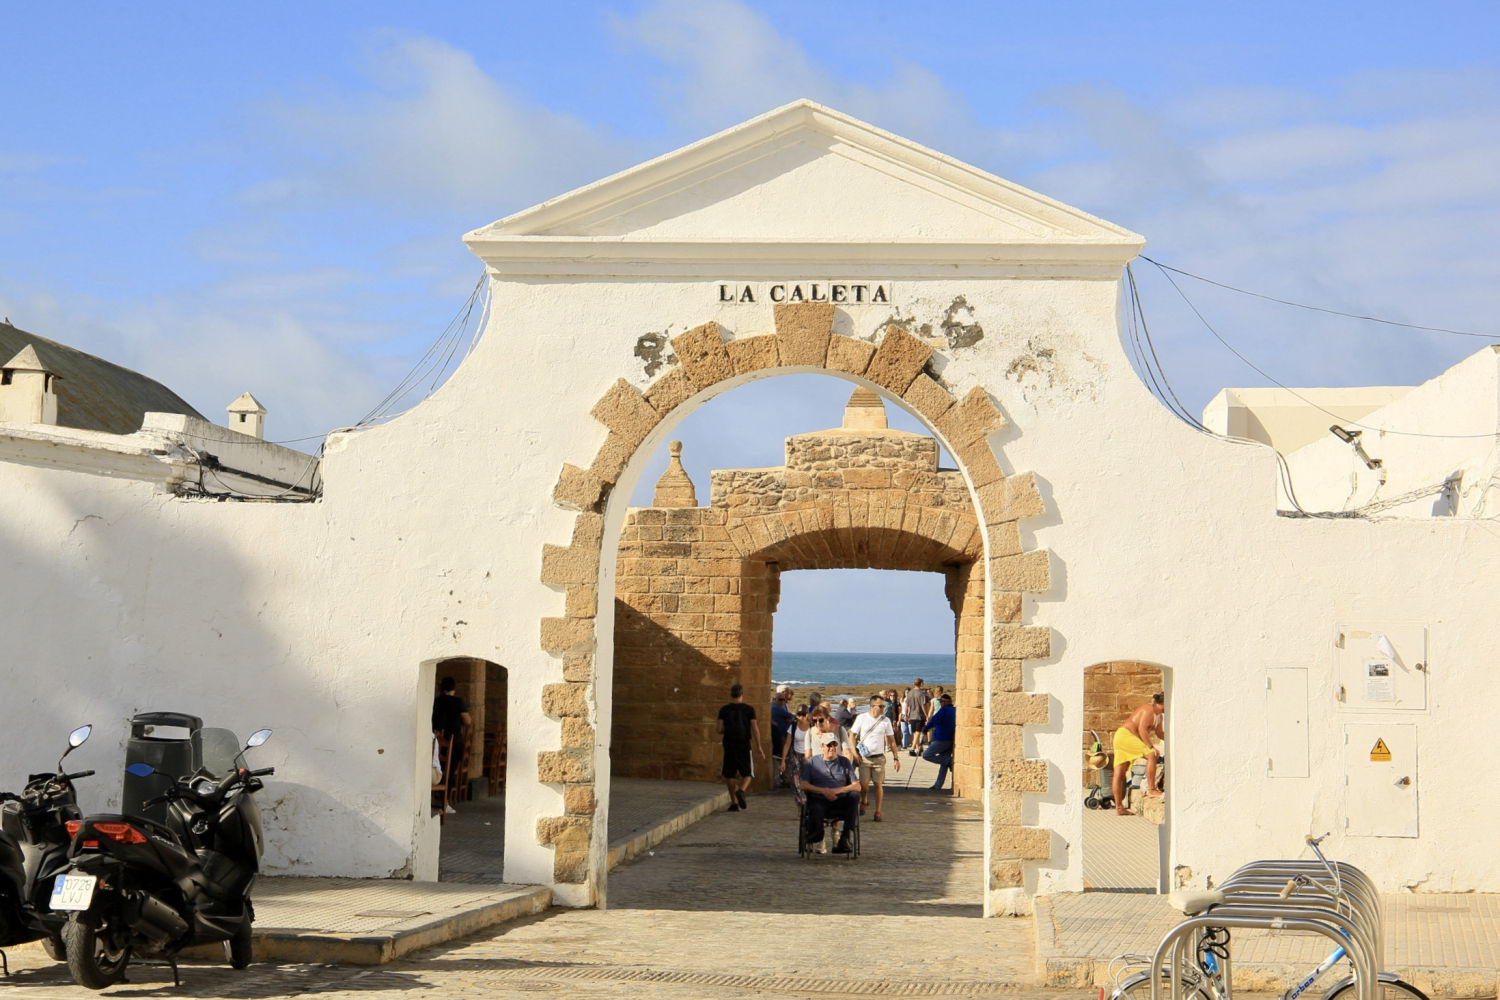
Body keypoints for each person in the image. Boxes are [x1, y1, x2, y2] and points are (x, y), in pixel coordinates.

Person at [799, 732, 860, 853]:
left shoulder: (844, 762)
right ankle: (816, 833)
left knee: (854, 796)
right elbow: (803, 784)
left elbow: (857, 786)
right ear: (822, 747)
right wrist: (823, 791)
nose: (832, 748)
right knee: (814, 806)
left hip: (840, 801)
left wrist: (837, 791)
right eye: (829, 745)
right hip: (820, 800)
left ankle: (845, 837)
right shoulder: (813, 762)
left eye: (834, 745)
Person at [1111, 692, 1164, 815]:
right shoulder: (1149, 709)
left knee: (1120, 772)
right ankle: (1151, 789)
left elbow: (1160, 734)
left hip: (1122, 737)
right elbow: (1142, 729)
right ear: (1162, 703)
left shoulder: (1159, 716)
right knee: (1151, 755)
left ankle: (1119, 808)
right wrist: (1151, 747)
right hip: (1126, 735)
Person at [850, 694, 900, 820]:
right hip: (864, 758)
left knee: (878, 784)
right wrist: (854, 753)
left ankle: (878, 811)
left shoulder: (885, 721)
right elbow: (852, 735)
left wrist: (896, 758)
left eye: (884, 706)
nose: (883, 708)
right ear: (872, 706)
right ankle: (864, 800)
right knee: (864, 785)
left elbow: (892, 740)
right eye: (881, 706)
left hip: (879, 758)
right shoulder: (862, 718)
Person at [717, 683, 763, 811]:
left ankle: (734, 803)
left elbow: (719, 729)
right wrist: (759, 746)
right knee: (748, 773)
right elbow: (755, 729)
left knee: (729, 774)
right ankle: (741, 791)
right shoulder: (749, 709)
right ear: (742, 694)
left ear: (731, 695)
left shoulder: (724, 710)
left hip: (729, 744)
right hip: (743, 744)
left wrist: (728, 729)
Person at [431, 676, 472, 814]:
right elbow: (467, 721)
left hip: (436, 740)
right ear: (453, 689)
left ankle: (434, 799)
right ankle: (444, 802)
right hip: (454, 740)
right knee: (450, 770)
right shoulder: (458, 702)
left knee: (436, 767)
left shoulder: (436, 701)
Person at [921, 693, 956, 790]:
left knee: (926, 755)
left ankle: (949, 761)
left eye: (943, 701)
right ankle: (938, 785)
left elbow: (934, 720)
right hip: (950, 739)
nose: (941, 703)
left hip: (942, 739)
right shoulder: (955, 710)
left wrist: (926, 728)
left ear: (948, 702)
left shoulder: (943, 710)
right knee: (943, 764)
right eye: (940, 701)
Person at [782, 704, 813, 797]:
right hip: (796, 756)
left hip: (809, 756)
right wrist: (783, 761)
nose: (801, 717)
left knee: (808, 780)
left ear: (807, 714)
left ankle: (807, 799)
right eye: (799, 714)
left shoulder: (812, 726)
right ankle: (800, 800)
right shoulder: (793, 726)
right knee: (796, 780)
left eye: (804, 714)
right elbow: (787, 744)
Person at [770, 686, 795, 788]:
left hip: (782, 733)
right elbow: (791, 717)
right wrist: (789, 719)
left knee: (783, 757)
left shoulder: (779, 706)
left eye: (783, 700)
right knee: (783, 757)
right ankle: (785, 779)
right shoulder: (776, 708)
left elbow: (789, 717)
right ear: (775, 699)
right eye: (780, 700)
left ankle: (784, 779)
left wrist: (788, 719)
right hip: (781, 735)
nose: (782, 701)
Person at [903, 679, 930, 756]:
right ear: (921, 684)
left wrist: (906, 715)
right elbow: (923, 705)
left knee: (915, 733)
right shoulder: (921, 693)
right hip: (919, 715)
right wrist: (926, 715)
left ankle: (917, 749)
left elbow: (907, 705)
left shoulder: (910, 693)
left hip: (911, 715)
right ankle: (912, 748)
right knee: (918, 732)